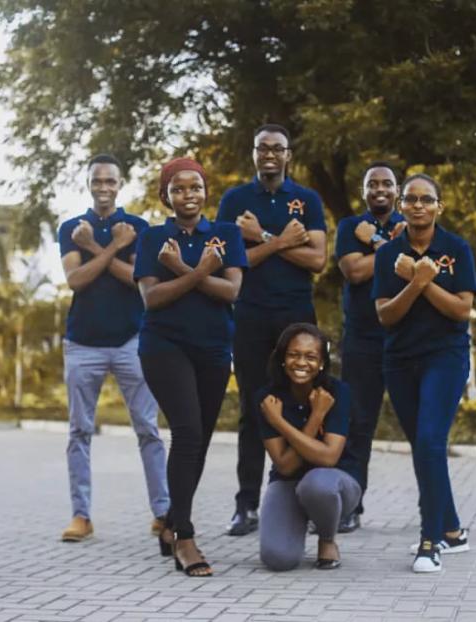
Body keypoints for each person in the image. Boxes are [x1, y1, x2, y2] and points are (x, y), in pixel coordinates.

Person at [134, 157, 247, 576]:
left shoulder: (226, 234)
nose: (188, 195)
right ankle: (184, 534)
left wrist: (181, 269)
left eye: (195, 187)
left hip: (214, 349)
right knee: (187, 432)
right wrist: (198, 269)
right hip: (164, 347)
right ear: (166, 195)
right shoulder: (152, 239)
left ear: (206, 192)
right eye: (179, 188)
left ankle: (170, 522)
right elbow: (153, 298)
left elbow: (231, 291)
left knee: (197, 441)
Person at [217, 124, 327, 536]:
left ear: (287, 155)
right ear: (253, 153)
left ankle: (300, 499)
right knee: (252, 408)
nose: (269, 154)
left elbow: (318, 260)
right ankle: (246, 505)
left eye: (277, 148)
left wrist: (262, 237)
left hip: (297, 321)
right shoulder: (235, 201)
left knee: (303, 406)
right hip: (249, 317)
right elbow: (230, 261)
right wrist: (280, 242)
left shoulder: (308, 200)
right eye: (262, 147)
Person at [57, 153, 169, 543]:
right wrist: (107, 248)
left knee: (148, 430)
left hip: (131, 341)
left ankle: (163, 512)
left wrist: (99, 250)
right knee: (79, 432)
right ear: (88, 184)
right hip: (82, 344)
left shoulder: (138, 227)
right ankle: (81, 516)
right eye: (97, 181)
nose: (103, 188)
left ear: (120, 184)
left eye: (110, 181)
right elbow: (75, 280)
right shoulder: (72, 228)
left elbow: (139, 280)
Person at [372, 173, 476, 573]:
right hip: (399, 360)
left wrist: (420, 279)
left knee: (431, 441)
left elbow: (462, 309)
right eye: (411, 199)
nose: (419, 205)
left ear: (439, 207)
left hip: (445, 357)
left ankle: (430, 541)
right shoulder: (387, 255)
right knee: (423, 446)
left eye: (427, 199)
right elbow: (386, 315)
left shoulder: (456, 248)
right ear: (401, 206)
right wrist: (417, 281)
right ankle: (452, 529)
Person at [334, 161, 406, 532]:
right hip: (362, 340)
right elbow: (355, 272)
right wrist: (395, 249)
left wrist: (378, 243)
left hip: (406, 340)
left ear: (397, 191)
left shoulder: (411, 225)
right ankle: (350, 506)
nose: (380, 189)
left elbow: (418, 267)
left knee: (420, 427)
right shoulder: (349, 227)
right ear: (363, 191)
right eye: (372, 184)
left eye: (387, 183)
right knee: (357, 424)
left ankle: (436, 509)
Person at [254, 323, 360, 571]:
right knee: (278, 559)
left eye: (311, 356)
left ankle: (327, 538)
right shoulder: (268, 399)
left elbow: (329, 458)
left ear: (322, 362)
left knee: (317, 485)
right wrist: (313, 419)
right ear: (282, 358)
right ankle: (297, 520)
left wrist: (282, 422)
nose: (301, 362)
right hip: (288, 483)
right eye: (293, 354)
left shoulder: (337, 393)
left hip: (336, 484)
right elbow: (286, 466)